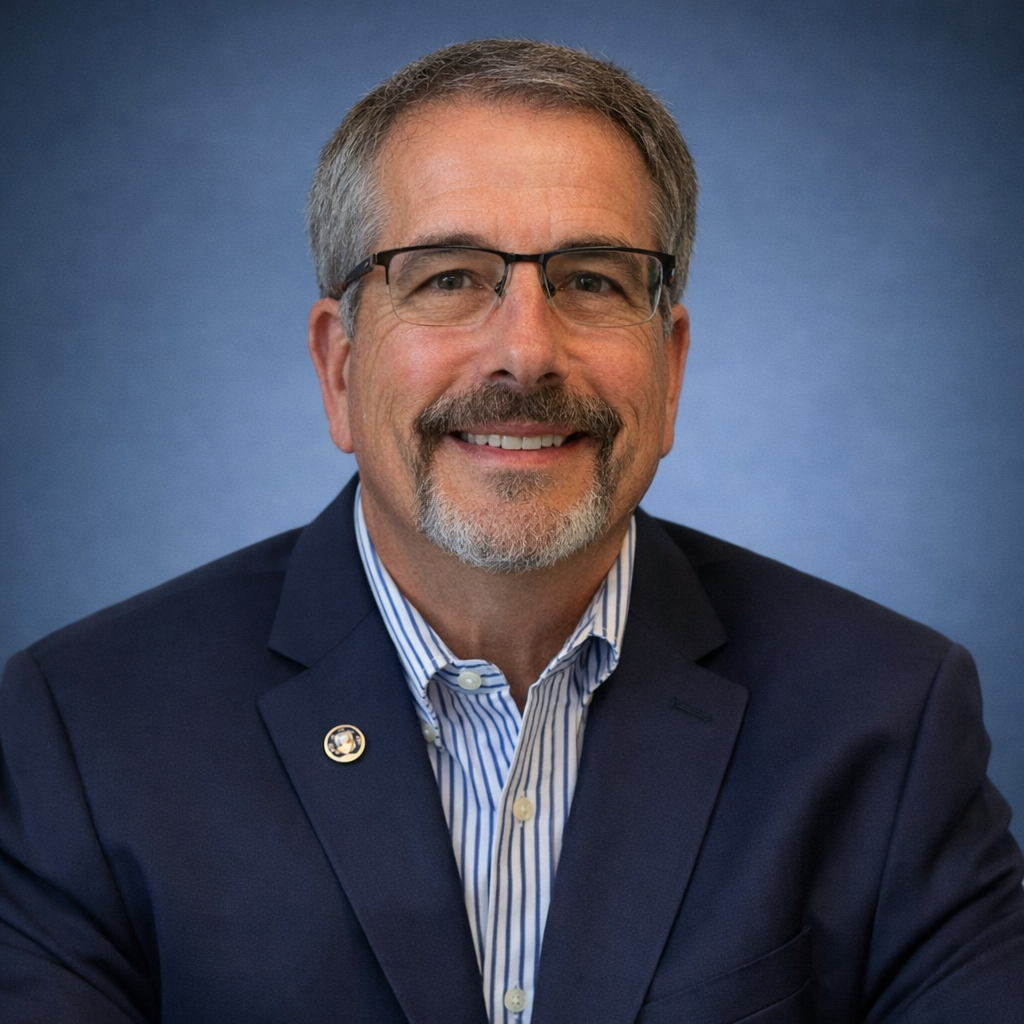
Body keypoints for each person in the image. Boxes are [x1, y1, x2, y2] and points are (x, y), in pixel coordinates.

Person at [1, 39, 1021, 1024]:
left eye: (591, 280)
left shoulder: (887, 716)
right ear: (340, 367)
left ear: (670, 367)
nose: (526, 353)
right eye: (447, 277)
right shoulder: (85, 731)